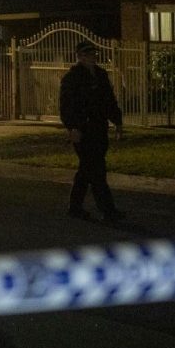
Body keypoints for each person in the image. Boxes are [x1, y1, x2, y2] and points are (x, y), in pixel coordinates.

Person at [59, 41, 125, 221]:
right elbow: (66, 107)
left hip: (99, 128)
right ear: (79, 56)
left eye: (93, 54)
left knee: (87, 170)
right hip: (82, 130)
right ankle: (108, 210)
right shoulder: (72, 78)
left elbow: (109, 101)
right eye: (87, 54)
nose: (92, 57)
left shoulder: (101, 76)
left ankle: (75, 207)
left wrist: (117, 121)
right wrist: (72, 127)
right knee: (96, 170)